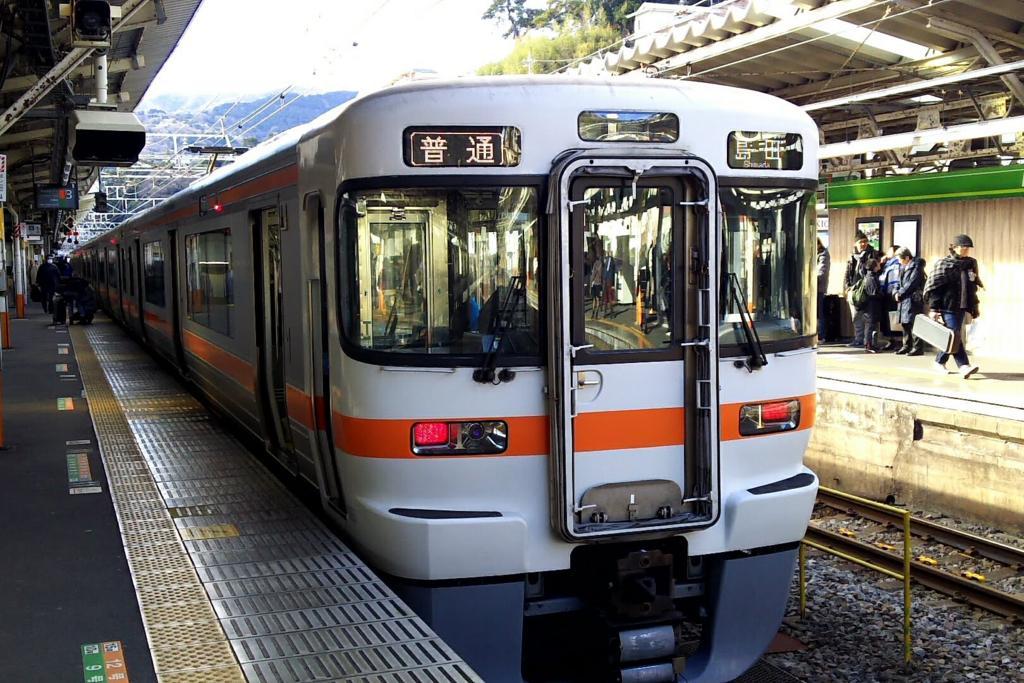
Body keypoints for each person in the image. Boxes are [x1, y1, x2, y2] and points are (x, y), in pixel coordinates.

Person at [923, 234, 982, 378]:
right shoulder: (944, 264)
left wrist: (974, 306)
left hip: (961, 306)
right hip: (946, 306)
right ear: (954, 247)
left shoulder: (970, 264)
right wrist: (934, 309)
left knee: (952, 336)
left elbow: (972, 287)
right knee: (954, 335)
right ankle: (964, 366)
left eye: (968, 248)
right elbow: (936, 288)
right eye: (964, 247)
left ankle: (939, 361)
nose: (966, 250)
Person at [843, 231, 881, 347]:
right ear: (856, 244)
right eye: (861, 242)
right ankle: (858, 339)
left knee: (868, 318)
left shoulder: (873, 254)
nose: (863, 244)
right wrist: (846, 287)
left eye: (865, 241)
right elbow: (847, 273)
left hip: (866, 289)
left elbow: (872, 270)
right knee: (856, 317)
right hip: (854, 290)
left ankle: (868, 341)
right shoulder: (852, 256)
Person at [893, 247, 925, 356]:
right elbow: (897, 283)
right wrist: (895, 292)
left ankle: (917, 347)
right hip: (903, 299)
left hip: (912, 298)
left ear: (907, 257)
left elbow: (912, 283)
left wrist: (900, 293)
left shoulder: (916, 267)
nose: (899, 262)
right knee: (905, 323)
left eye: (900, 259)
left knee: (914, 323)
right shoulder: (903, 267)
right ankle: (906, 345)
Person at [860, 258, 886, 353]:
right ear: (874, 266)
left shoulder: (870, 276)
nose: (879, 265)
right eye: (878, 264)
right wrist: (882, 294)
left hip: (871, 306)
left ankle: (872, 344)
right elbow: (873, 293)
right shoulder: (871, 278)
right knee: (870, 325)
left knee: (872, 325)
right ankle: (868, 345)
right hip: (871, 306)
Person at [816, 238, 830, 341]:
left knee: (819, 313)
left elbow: (821, 272)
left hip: (818, 288)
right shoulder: (819, 254)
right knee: (818, 313)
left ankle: (821, 335)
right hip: (816, 287)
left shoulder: (823, 254)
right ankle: (820, 334)